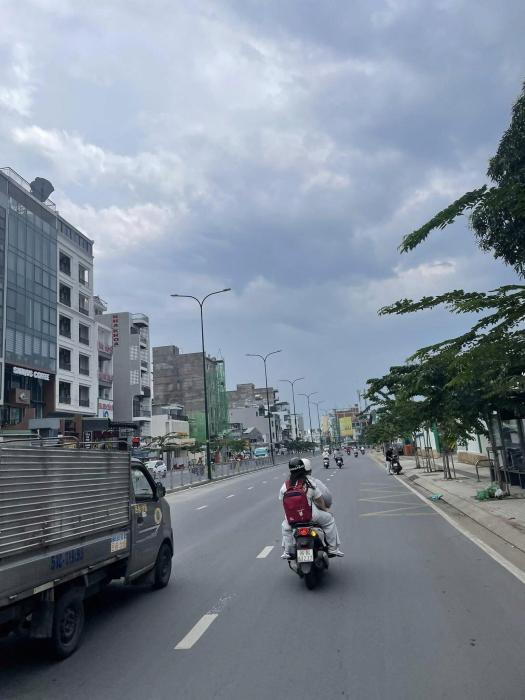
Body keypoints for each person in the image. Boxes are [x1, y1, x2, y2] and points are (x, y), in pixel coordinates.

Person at [279, 457, 344, 559]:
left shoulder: (285, 485)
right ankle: (332, 548)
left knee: (285, 528)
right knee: (330, 520)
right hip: (311, 516)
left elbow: (282, 501)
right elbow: (319, 500)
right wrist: (326, 510)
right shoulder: (309, 483)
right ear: (303, 469)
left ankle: (287, 551)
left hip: (292, 519)